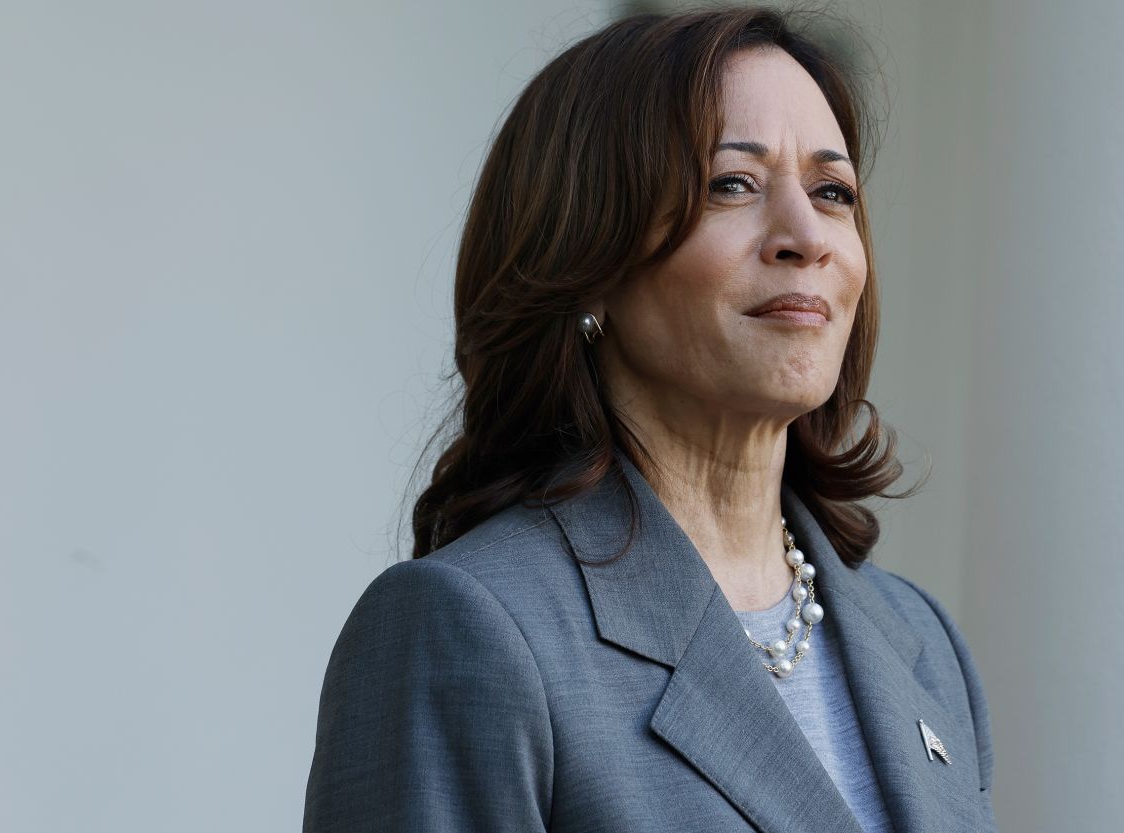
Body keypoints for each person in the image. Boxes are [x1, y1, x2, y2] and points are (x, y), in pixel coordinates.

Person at [303, 6, 995, 832]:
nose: (806, 236)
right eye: (731, 183)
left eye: (833, 191)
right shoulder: (470, 628)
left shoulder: (921, 642)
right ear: (587, 257)